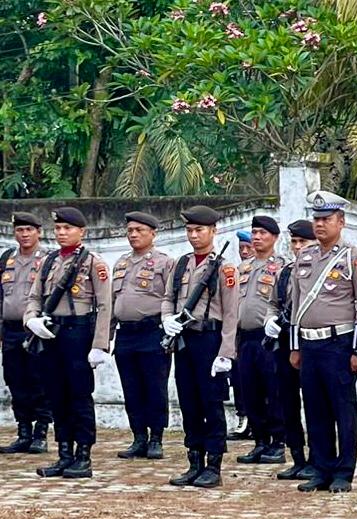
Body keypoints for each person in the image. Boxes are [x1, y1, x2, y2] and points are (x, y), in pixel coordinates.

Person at [288, 191, 357, 493]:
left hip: (339, 344)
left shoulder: (354, 258)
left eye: (326, 219)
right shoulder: (305, 257)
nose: (320, 224)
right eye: (317, 219)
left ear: (341, 221)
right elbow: (296, 306)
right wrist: (295, 346)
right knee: (314, 408)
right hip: (309, 345)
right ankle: (321, 468)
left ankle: (343, 471)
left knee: (343, 410)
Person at [23, 207, 112, 479]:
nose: (62, 233)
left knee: (79, 395)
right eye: (59, 229)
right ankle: (64, 453)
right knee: (56, 394)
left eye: (68, 228)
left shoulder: (93, 263)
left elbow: (106, 305)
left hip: (79, 332)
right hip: (51, 333)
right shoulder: (49, 261)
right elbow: (34, 297)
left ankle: (83, 455)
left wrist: (100, 344)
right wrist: (31, 320)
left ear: (81, 232)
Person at [162, 205, 240, 489]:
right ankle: (194, 461)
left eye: (199, 230)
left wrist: (226, 353)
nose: (194, 235)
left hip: (210, 339)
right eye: (190, 230)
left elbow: (232, 314)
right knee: (188, 402)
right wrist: (166, 319)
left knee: (211, 403)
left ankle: (213, 465)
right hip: (184, 340)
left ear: (213, 231)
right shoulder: (180, 264)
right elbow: (168, 298)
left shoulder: (224, 268)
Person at [111, 210, 175, 460]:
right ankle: (138, 436)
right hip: (126, 334)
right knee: (131, 387)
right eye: (130, 231)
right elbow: (113, 302)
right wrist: (104, 337)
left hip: (152, 332)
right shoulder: (122, 263)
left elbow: (172, 298)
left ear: (153, 234)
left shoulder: (164, 262)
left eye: (139, 231)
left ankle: (156, 437)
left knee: (154, 386)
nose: (134, 235)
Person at [235, 215, 287, 466]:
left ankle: (278, 442)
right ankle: (259, 441)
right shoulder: (243, 268)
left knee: (273, 391)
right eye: (254, 233)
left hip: (269, 339)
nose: (256, 238)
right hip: (245, 338)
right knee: (249, 392)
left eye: (262, 233)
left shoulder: (282, 267)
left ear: (274, 238)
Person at [266, 219, 316, 480]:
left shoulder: (319, 271)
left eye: (303, 242)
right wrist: (270, 320)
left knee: (315, 403)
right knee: (287, 401)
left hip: (310, 342)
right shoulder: (285, 272)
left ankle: (317, 458)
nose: (298, 247)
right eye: (294, 242)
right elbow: (274, 303)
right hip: (284, 342)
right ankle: (297, 455)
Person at [0, 212, 52, 455]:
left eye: (29, 230)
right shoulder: (7, 259)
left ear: (38, 232)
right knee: (15, 380)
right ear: (15, 233)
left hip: (35, 330)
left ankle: (41, 432)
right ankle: (23, 432)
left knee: (39, 380)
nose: (24, 235)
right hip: (10, 330)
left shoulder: (48, 260)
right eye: (20, 230)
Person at [228, 228, 254, 441]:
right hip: (237, 335)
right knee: (239, 380)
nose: (244, 252)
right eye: (241, 248)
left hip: (259, 335)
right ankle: (243, 418)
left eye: (248, 247)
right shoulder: (235, 272)